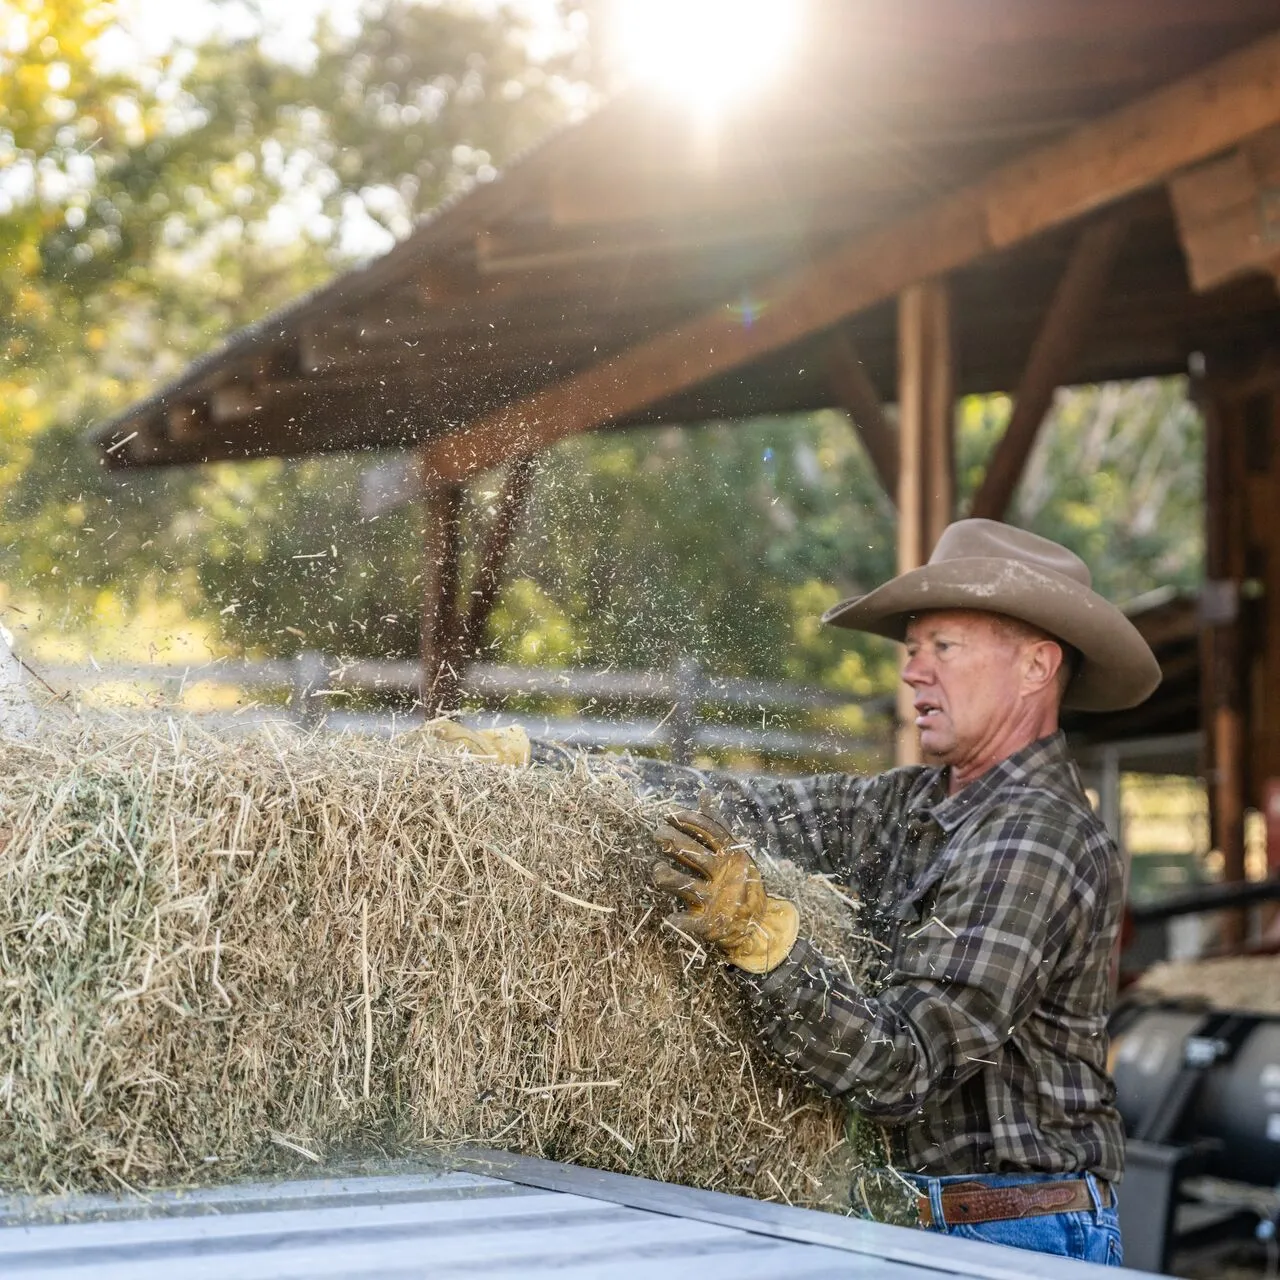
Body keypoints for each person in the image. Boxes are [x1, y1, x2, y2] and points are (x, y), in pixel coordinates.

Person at [431, 519, 1160, 1266]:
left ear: (1037, 666)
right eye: (913, 650)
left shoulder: (1036, 837)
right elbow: (747, 807)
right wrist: (543, 765)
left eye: (944, 647)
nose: (912, 672)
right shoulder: (910, 804)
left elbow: (903, 1069)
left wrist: (768, 944)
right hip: (929, 1223)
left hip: (1009, 1237)